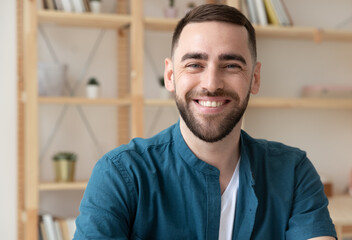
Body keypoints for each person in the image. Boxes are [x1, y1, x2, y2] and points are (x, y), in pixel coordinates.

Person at [74, 4, 337, 240]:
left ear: (255, 78)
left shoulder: (293, 173)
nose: (211, 84)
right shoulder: (120, 174)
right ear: (170, 76)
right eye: (194, 65)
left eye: (232, 65)